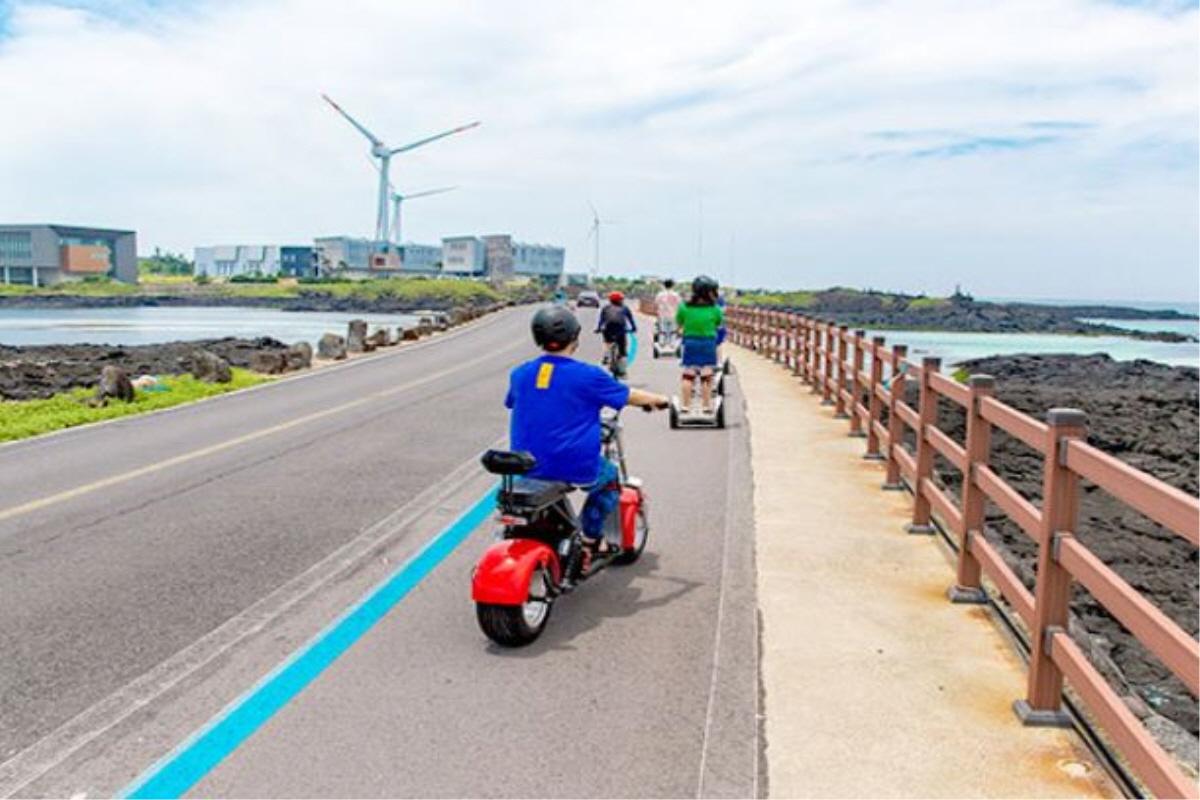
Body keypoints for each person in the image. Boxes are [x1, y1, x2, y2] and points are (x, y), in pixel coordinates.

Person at [507, 307, 668, 558]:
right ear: (575, 336)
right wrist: (661, 400)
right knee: (610, 479)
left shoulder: (520, 373)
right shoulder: (589, 375)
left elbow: (517, 401)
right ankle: (590, 539)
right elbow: (630, 395)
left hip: (525, 463)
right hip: (572, 464)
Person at [675, 275, 724, 414]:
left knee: (688, 374)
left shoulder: (684, 307)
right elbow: (719, 323)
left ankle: (685, 405)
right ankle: (706, 406)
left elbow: (679, 322)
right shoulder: (715, 308)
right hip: (708, 342)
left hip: (690, 341)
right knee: (706, 374)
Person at [595, 290, 637, 375]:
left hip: (608, 330)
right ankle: (623, 371)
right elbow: (631, 319)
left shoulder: (606, 308)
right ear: (620, 300)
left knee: (607, 343)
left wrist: (598, 328)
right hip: (621, 330)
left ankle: (606, 356)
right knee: (623, 351)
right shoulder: (625, 308)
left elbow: (601, 320)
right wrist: (633, 328)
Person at [654, 279, 682, 343]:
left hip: (662, 315)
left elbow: (656, 304)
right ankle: (672, 343)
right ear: (672, 285)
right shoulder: (676, 295)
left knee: (662, 330)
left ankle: (662, 343)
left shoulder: (660, 294)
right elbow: (680, 305)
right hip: (673, 315)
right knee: (673, 331)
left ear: (664, 285)